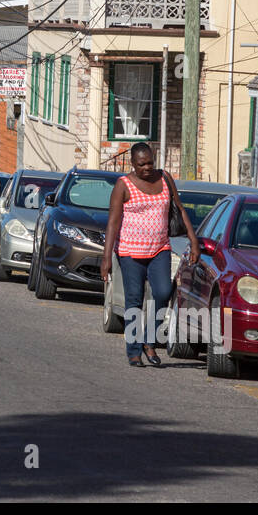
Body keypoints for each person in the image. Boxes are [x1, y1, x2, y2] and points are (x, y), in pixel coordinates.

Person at [100, 142, 199, 368]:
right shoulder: (123, 185)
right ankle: (134, 350)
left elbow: (179, 209)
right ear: (133, 164)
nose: (147, 167)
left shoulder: (164, 178)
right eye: (142, 164)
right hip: (130, 252)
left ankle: (149, 341)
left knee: (164, 292)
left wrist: (193, 241)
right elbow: (113, 222)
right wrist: (106, 258)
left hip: (159, 249)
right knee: (134, 299)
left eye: (150, 162)